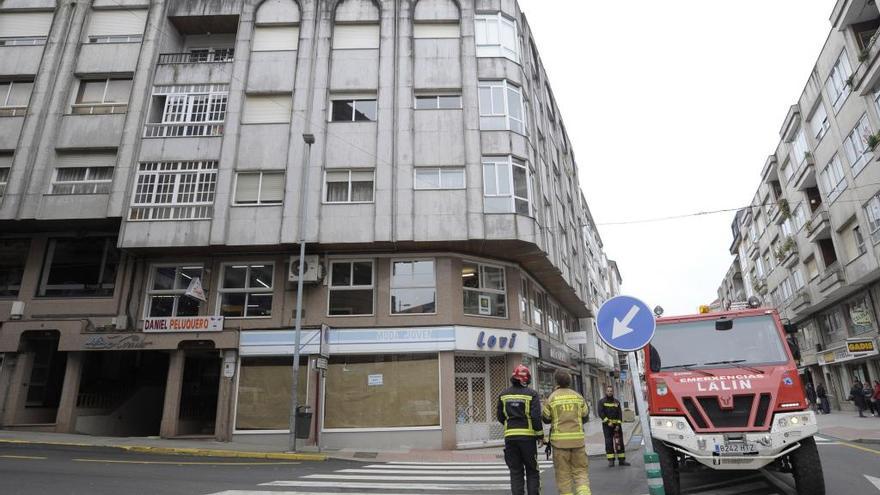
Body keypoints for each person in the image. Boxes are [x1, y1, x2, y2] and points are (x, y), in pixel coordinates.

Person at [542, 370, 591, 495]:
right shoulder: (578, 396)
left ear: (556, 381)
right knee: (581, 473)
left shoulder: (552, 398)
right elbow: (585, 416)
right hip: (578, 442)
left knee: (563, 476)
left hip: (559, 444)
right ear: (570, 382)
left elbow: (546, 419)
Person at [497, 365, 544, 495]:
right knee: (532, 471)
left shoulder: (503, 394)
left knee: (516, 472)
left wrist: (510, 426)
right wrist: (540, 435)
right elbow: (535, 417)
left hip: (510, 438)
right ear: (526, 379)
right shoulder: (532, 394)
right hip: (528, 438)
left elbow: (500, 416)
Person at [598, 386, 629, 467]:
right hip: (607, 426)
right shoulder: (602, 402)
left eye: (611, 391)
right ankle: (611, 461)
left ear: (613, 392)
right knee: (609, 443)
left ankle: (621, 460)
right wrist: (608, 422)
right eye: (608, 391)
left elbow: (619, 414)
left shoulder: (617, 402)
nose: (609, 392)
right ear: (606, 392)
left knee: (619, 443)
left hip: (616, 427)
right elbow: (601, 413)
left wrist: (618, 425)